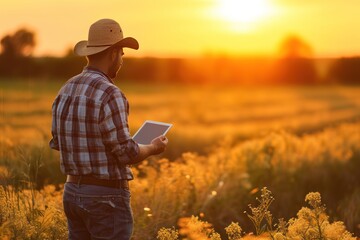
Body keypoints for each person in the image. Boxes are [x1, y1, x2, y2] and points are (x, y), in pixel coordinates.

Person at [49, 18, 168, 240]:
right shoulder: (110, 93)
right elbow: (127, 153)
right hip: (106, 198)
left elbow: (57, 142)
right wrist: (152, 147)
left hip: (71, 193)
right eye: (122, 53)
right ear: (113, 52)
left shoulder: (66, 88)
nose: (122, 59)